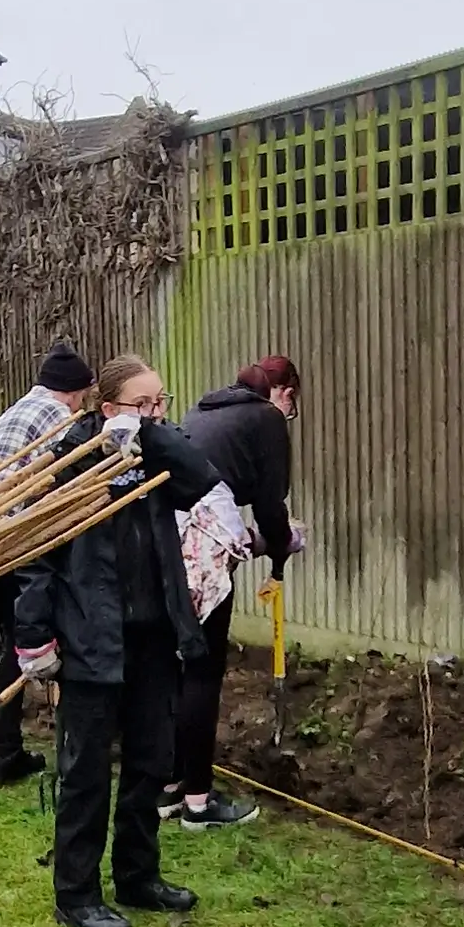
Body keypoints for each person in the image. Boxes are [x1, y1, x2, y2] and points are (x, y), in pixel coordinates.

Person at [11, 354, 212, 927]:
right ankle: (76, 894)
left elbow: (201, 479)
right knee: (87, 771)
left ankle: (137, 874)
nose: (154, 413)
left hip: (152, 634)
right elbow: (36, 554)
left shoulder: (149, 453)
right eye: (141, 404)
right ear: (105, 408)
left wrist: (147, 432)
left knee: (151, 761)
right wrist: (34, 639)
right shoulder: (69, 460)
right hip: (91, 638)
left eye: (161, 402)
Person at [163, 354, 302, 831]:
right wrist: (285, 547)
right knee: (203, 669)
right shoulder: (265, 418)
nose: (289, 415)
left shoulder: (204, 413)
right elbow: (269, 505)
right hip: (203, 545)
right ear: (283, 393)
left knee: (175, 667)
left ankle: (168, 789)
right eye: (292, 404)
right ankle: (199, 804)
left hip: (164, 538)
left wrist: (268, 544)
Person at [0, 345, 96, 786]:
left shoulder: (19, 409)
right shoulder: (60, 418)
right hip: (10, 540)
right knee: (48, 635)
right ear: (75, 394)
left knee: (15, 643)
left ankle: (8, 753)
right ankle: (65, 756)